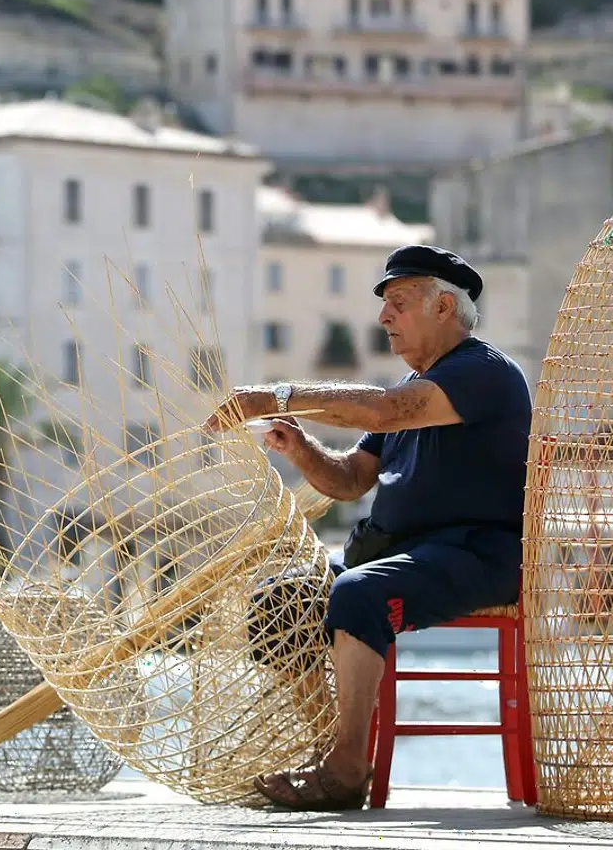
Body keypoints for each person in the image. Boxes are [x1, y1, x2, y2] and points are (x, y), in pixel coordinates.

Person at [203, 244, 532, 811]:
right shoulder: (415, 390)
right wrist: (302, 448)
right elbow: (352, 478)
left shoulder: (484, 372)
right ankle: (332, 749)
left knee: (360, 592)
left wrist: (275, 396)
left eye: (398, 303)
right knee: (278, 601)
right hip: (403, 556)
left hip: (476, 556)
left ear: (444, 307)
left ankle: (348, 769)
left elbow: (381, 410)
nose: (384, 318)